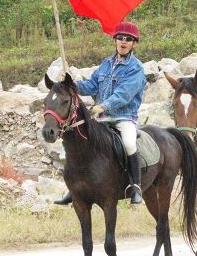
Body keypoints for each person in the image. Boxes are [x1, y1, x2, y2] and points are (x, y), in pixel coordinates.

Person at [54, 21, 147, 205]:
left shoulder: (136, 68)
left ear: (134, 43)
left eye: (128, 39)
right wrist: (72, 85)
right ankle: (74, 188)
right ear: (115, 40)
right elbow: (92, 85)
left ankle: (135, 186)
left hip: (123, 117)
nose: (123, 41)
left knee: (128, 143)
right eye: (120, 38)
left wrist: (103, 106)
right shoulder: (106, 64)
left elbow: (125, 94)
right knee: (78, 141)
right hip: (101, 119)